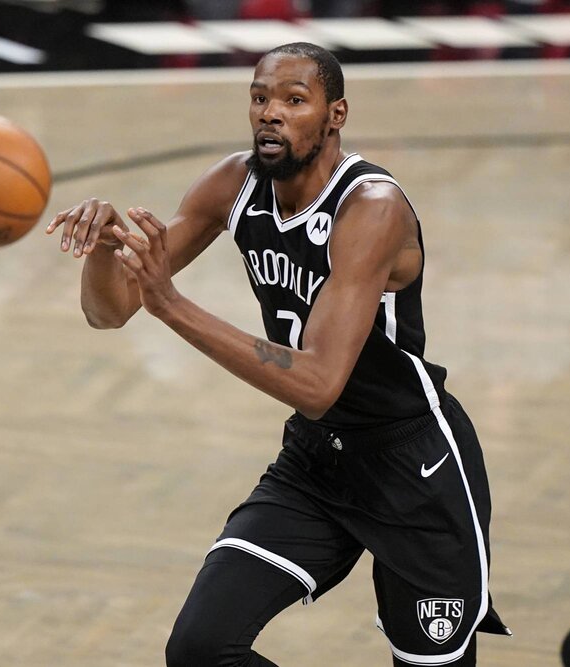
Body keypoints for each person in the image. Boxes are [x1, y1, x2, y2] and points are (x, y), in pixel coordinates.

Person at [46, 42, 510, 666]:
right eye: (261, 98)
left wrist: (173, 305)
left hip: (414, 469)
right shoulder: (233, 184)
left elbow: (318, 381)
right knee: (201, 649)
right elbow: (109, 312)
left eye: (294, 100)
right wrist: (105, 249)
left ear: (335, 114)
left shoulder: (370, 208)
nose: (271, 113)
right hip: (317, 461)